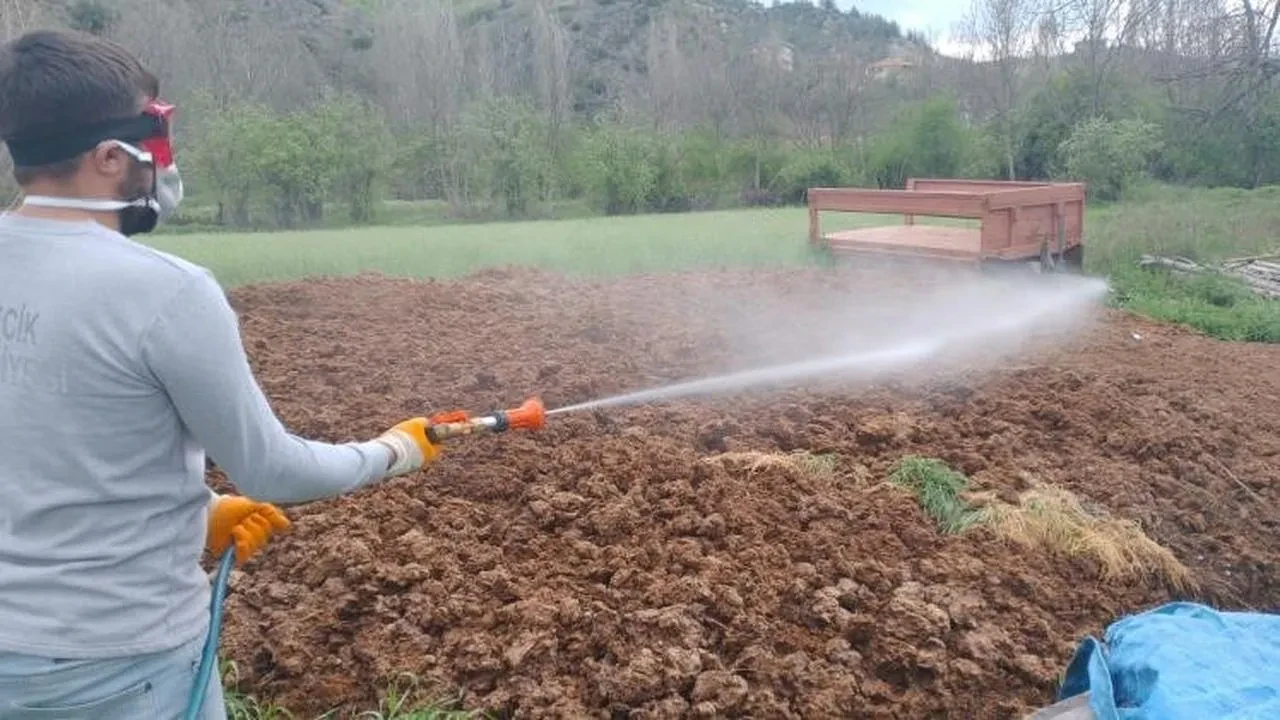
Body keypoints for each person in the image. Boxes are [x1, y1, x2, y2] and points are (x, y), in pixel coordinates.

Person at [0, 29, 439, 718]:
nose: (166, 162)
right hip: (121, 661)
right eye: (158, 136)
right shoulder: (166, 292)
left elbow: (37, 436)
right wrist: (395, 450)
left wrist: (201, 510)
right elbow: (274, 470)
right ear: (111, 157)